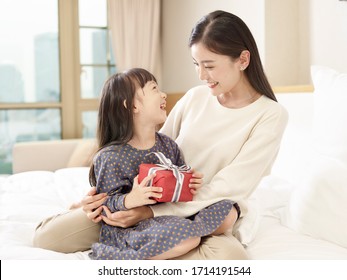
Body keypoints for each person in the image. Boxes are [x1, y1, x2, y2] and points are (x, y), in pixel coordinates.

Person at [33, 10, 288, 259]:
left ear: (243, 60)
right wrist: (114, 200)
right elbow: (151, 152)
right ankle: (153, 246)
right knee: (47, 238)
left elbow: (228, 187)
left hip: (202, 212)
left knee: (231, 259)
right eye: (197, 65)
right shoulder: (196, 97)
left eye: (209, 66)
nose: (201, 75)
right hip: (150, 202)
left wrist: (149, 213)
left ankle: (150, 249)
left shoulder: (270, 115)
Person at [85, 68, 235, 260]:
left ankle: (188, 232)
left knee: (228, 210)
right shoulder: (110, 156)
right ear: (132, 106)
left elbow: (181, 176)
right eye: (154, 89)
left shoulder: (167, 144)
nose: (163, 94)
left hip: (168, 214)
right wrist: (130, 199)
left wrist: (189, 183)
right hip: (133, 227)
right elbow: (105, 204)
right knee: (188, 241)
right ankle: (128, 257)